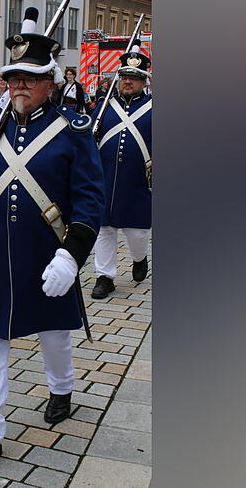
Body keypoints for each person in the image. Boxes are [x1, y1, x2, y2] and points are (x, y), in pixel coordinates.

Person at [0, 6, 104, 478]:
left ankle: (62, 388)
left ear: (50, 82)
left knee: (53, 335)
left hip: (49, 254)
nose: (19, 86)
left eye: (29, 77)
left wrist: (72, 254)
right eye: (13, 78)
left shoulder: (73, 131)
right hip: (1, 256)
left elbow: (91, 199)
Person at [90, 43, 153, 299]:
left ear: (144, 82)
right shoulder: (105, 107)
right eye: (125, 77)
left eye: (134, 78)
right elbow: (89, 137)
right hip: (104, 177)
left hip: (138, 180)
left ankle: (140, 258)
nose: (128, 82)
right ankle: (104, 277)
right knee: (104, 229)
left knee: (137, 232)